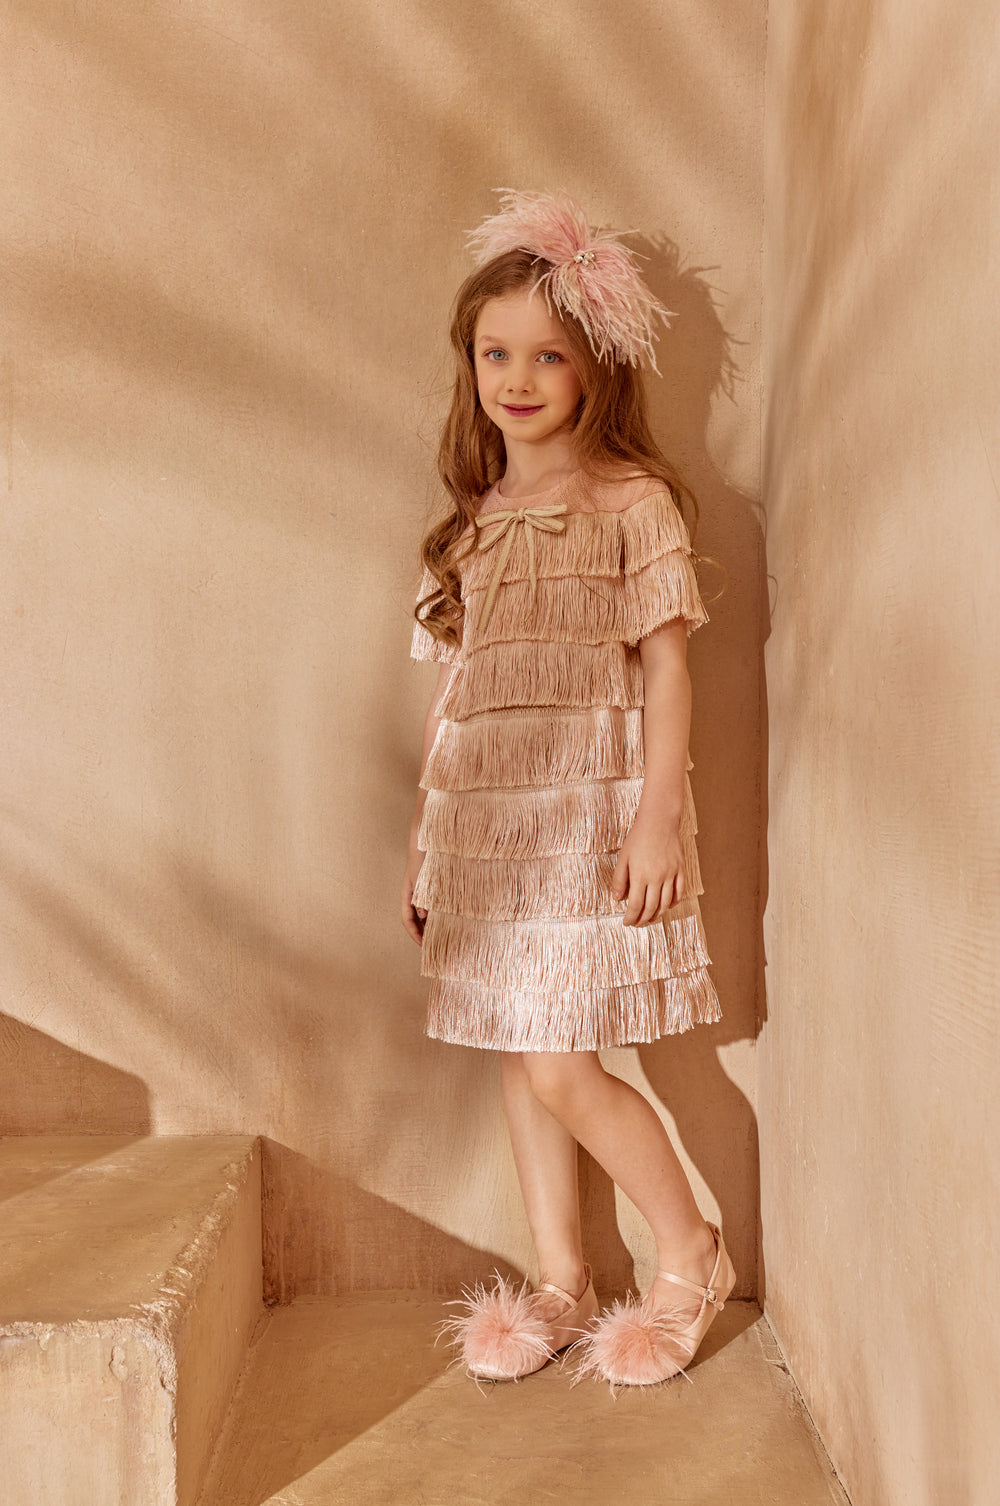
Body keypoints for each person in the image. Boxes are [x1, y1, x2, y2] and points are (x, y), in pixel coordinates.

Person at [400, 189, 735, 1388]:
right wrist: (425, 849)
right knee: (515, 1047)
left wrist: (656, 822)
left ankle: (690, 1251)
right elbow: (459, 705)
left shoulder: (629, 505)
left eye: (547, 355)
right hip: (486, 835)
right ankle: (560, 1277)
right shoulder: (476, 521)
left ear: (596, 367)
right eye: (496, 354)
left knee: (560, 1063)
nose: (518, 378)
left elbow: (667, 672)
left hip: (588, 823)